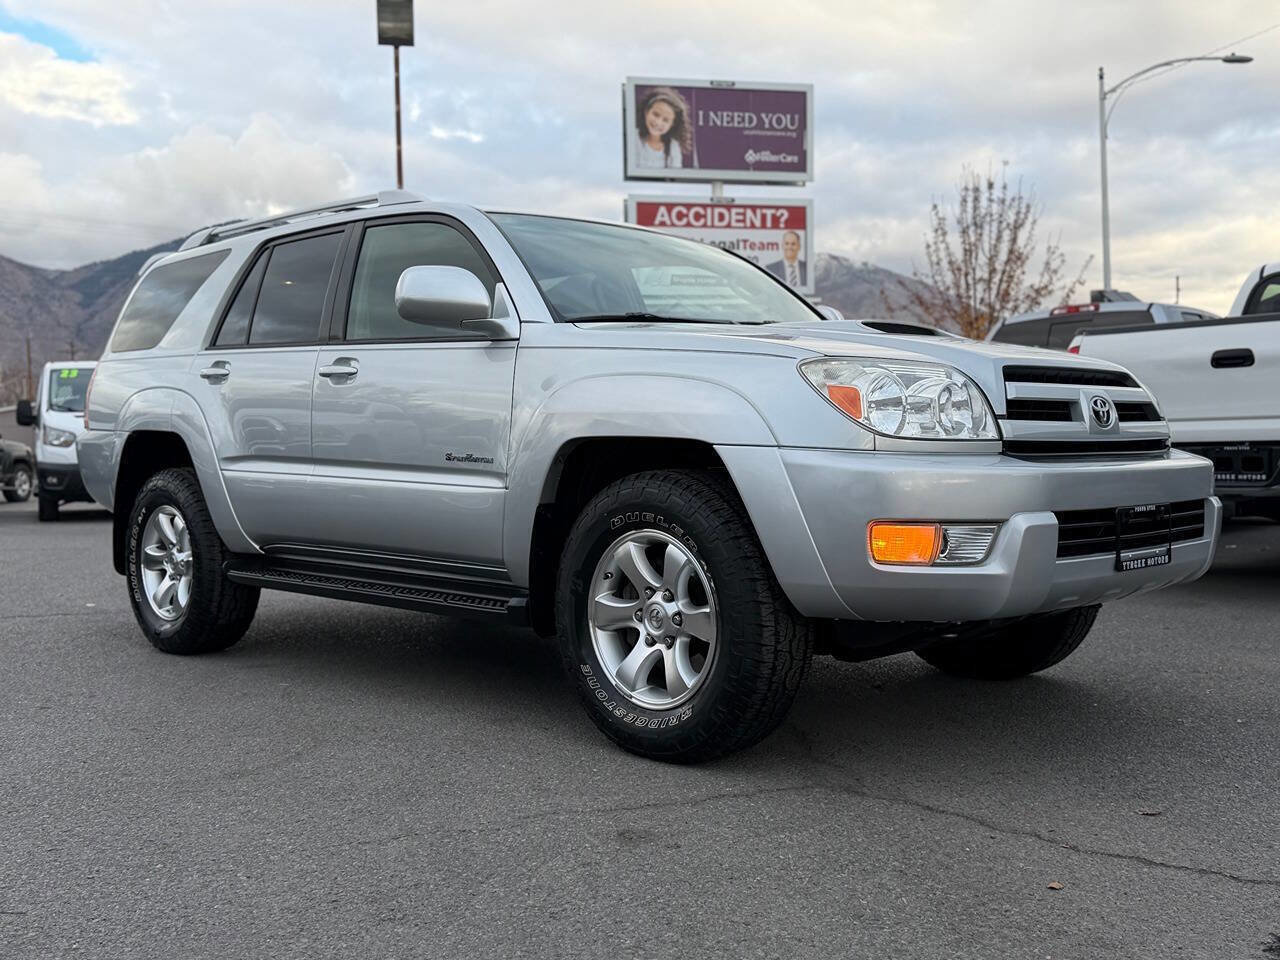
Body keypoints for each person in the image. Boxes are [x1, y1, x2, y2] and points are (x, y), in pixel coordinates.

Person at [634, 86, 692, 169]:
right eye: (656, 114)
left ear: (672, 124)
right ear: (646, 111)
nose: (658, 122)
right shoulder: (634, 138)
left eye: (665, 120)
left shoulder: (673, 146)